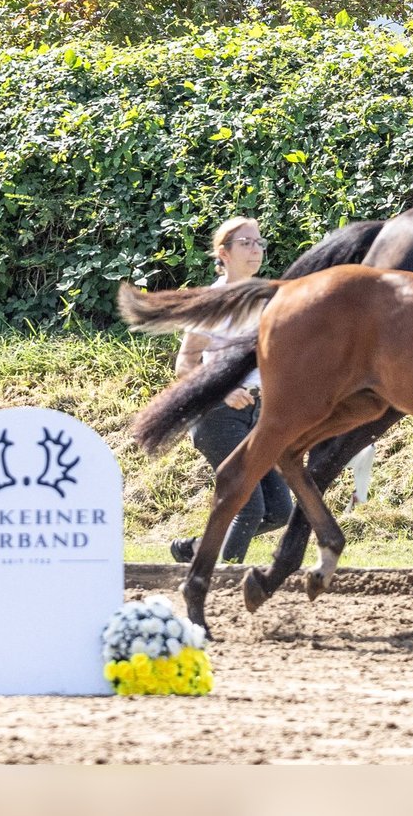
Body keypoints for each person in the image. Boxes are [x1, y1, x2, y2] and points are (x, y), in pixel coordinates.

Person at [169, 216, 294, 564]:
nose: (256, 250)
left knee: (280, 512)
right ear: (222, 253)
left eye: (259, 242)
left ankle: (197, 549)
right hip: (218, 415)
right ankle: (221, 582)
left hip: (258, 414)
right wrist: (222, 391)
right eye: (246, 243)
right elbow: (185, 364)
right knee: (249, 507)